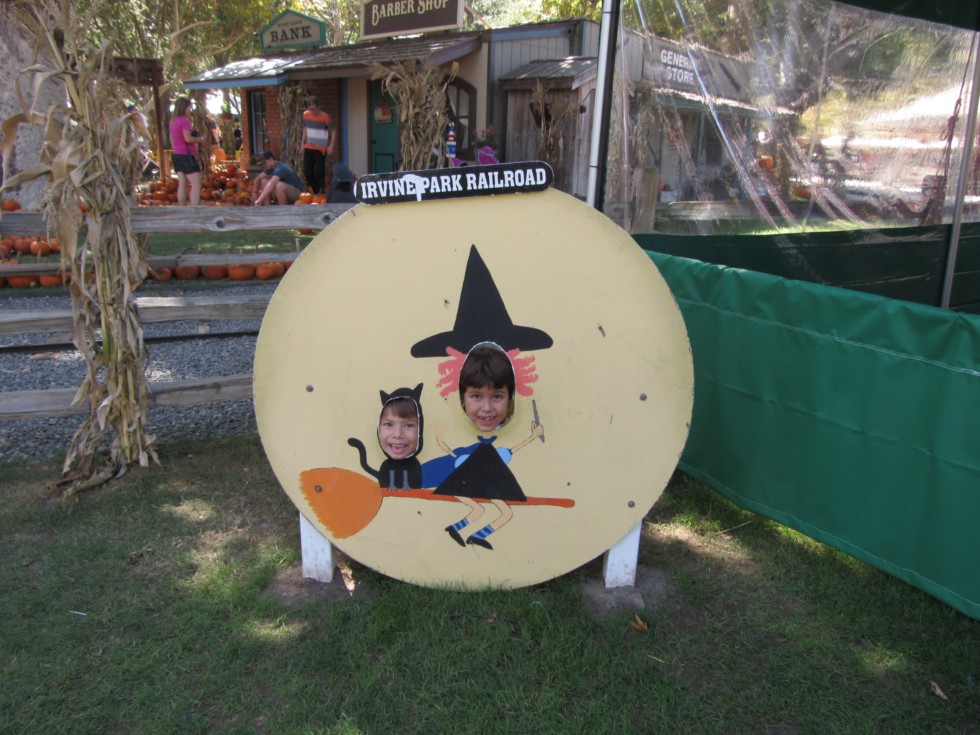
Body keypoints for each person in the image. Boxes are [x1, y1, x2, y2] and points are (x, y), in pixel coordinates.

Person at [433, 342, 544, 550]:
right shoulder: (466, 446)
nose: (487, 408)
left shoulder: (498, 452)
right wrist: (439, 438)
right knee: (501, 512)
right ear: (461, 398)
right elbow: (451, 455)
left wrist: (532, 435)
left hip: (482, 484)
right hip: (466, 483)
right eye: (476, 396)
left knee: (493, 511)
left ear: (511, 398)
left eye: (497, 396)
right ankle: (467, 532)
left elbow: (513, 448)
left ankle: (468, 532)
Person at [169, 97, 205, 206]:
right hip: (186, 155)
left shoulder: (172, 121)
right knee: (196, 183)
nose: (191, 110)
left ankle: (182, 209)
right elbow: (188, 139)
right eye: (190, 108)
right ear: (184, 108)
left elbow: (172, 139)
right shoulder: (185, 121)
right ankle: (194, 209)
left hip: (176, 154)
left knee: (183, 183)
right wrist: (200, 140)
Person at [300, 96, 337, 195]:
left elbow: (333, 131)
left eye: (314, 109)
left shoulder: (325, 117)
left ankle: (321, 190)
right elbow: (305, 129)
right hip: (309, 146)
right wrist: (302, 143)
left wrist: (331, 146)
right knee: (307, 171)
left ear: (318, 107)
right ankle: (316, 190)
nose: (312, 111)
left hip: (320, 148)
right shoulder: (306, 114)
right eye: (310, 109)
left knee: (319, 171)